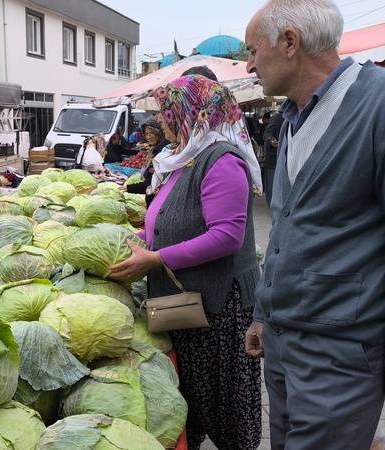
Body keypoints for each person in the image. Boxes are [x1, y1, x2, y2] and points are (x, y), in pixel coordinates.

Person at [244, 1, 385, 449]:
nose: (248, 65)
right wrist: (263, 314)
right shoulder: (293, 117)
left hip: (341, 353)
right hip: (284, 346)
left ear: (290, 42)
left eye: (252, 50)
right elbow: (286, 226)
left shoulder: (377, 105)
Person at [109, 75, 264, 450]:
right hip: (190, 307)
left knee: (227, 413)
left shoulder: (221, 159)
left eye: (167, 110)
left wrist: (157, 258)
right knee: (191, 405)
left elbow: (227, 236)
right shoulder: (184, 156)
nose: (161, 119)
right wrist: (141, 241)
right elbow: (176, 221)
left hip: (218, 313)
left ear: (191, 112)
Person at [124, 118, 168, 204]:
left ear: (158, 132)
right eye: (146, 134)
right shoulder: (154, 149)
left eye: (152, 133)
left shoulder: (162, 152)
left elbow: (153, 182)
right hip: (152, 195)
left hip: (158, 198)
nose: (148, 136)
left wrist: (130, 188)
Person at [261, 111, 283, 205]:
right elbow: (267, 135)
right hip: (273, 158)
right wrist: (274, 141)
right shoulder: (277, 117)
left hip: (283, 157)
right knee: (271, 184)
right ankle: (272, 205)